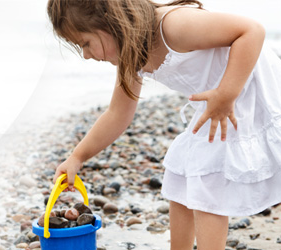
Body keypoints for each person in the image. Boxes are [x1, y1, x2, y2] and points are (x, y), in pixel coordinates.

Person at [46, 0, 281, 249]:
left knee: (206, 179)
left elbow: (251, 31)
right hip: (220, 101)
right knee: (179, 176)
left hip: (256, 92)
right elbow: (117, 114)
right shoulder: (133, 55)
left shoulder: (172, 26)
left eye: (85, 43)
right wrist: (77, 157)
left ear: (110, 21)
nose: (85, 54)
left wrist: (226, 94)